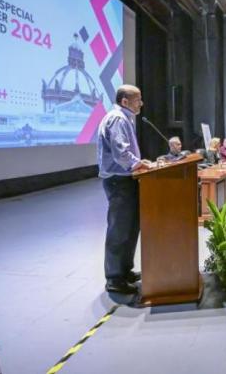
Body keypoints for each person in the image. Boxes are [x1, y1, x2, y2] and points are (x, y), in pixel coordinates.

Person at [97, 85, 152, 295]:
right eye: (138, 99)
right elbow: (121, 153)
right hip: (118, 181)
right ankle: (114, 278)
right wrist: (137, 164)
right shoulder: (118, 118)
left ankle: (124, 271)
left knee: (130, 227)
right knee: (119, 229)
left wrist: (138, 163)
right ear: (125, 101)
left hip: (126, 179)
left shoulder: (123, 117)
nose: (142, 103)